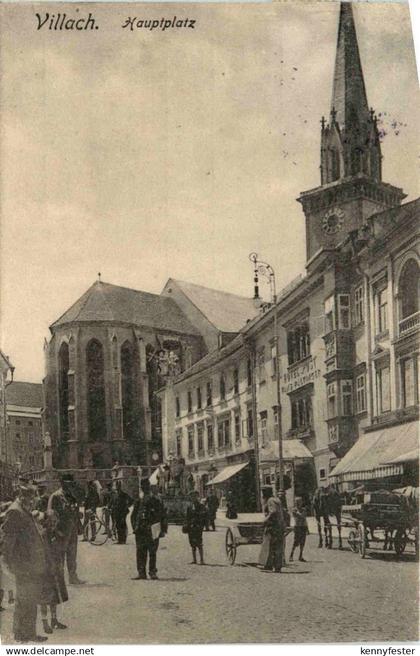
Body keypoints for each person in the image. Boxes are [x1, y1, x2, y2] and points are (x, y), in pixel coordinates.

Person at [1, 483, 48, 642]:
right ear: (23, 497)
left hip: (31, 565)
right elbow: (8, 542)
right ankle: (20, 635)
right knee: (23, 601)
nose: (34, 500)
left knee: (31, 599)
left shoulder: (23, 509)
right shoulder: (15, 511)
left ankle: (29, 633)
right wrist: (11, 565)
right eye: (31, 497)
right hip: (23, 566)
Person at [33, 510, 68, 634]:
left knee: (54, 597)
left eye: (55, 521)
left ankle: (54, 620)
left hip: (56, 569)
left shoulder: (57, 534)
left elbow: (61, 550)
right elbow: (44, 552)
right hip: (45, 570)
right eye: (51, 521)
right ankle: (45, 623)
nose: (53, 523)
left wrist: (59, 565)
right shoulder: (43, 535)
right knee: (44, 598)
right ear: (46, 521)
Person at [48, 473, 85, 585]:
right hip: (61, 531)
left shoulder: (71, 496)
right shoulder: (55, 496)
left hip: (72, 530)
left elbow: (74, 511)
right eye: (68, 484)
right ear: (62, 483)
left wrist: (79, 522)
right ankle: (59, 580)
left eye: (71, 484)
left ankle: (73, 577)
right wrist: (55, 530)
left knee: (72, 555)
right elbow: (50, 514)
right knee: (59, 556)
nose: (70, 486)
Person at [131, 479, 167, 580]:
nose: (144, 488)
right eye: (143, 487)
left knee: (152, 552)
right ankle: (141, 572)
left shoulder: (155, 500)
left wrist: (162, 530)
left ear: (149, 487)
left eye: (146, 486)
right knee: (140, 552)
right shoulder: (138, 501)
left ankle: (152, 572)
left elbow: (162, 515)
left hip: (152, 529)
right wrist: (135, 527)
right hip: (141, 530)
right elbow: (133, 515)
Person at [258, 486, 285, 573]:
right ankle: (275, 566)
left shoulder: (270, 501)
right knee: (277, 546)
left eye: (263, 492)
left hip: (273, 526)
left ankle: (271, 565)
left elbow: (273, 512)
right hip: (279, 525)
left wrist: (265, 521)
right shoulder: (276, 499)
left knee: (270, 545)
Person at [185, 491, 207, 565]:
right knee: (192, 543)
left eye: (194, 496)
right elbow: (187, 517)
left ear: (197, 497)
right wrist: (187, 525)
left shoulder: (201, 506)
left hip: (198, 527)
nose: (193, 498)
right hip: (191, 527)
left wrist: (201, 525)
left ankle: (202, 559)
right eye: (192, 497)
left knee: (199, 543)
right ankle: (194, 559)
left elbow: (204, 516)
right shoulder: (190, 507)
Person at [289, 497, 309, 562]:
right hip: (297, 527)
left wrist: (307, 529)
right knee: (295, 542)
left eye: (299, 502)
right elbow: (300, 516)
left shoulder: (303, 509)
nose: (298, 503)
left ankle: (300, 556)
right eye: (296, 502)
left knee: (302, 542)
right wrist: (300, 515)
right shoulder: (294, 510)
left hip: (303, 527)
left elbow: (304, 518)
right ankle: (291, 555)